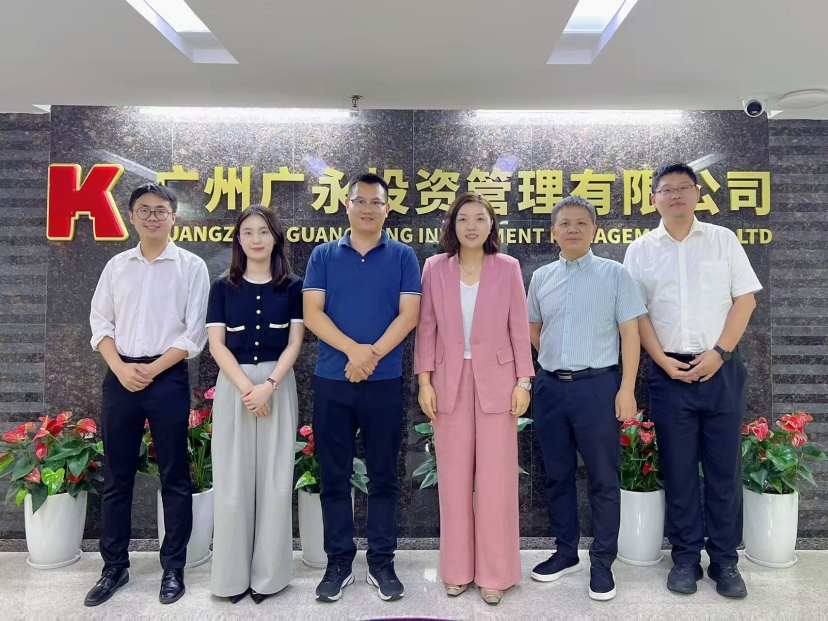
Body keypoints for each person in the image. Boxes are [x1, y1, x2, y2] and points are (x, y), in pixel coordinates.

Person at [623, 162, 761, 598]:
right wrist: (661, 361)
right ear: (653, 199)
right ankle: (685, 558)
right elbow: (636, 314)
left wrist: (719, 353)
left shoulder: (723, 240)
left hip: (722, 368)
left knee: (724, 470)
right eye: (667, 189)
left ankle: (724, 561)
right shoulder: (640, 250)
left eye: (684, 187)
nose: (676, 195)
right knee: (679, 471)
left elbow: (745, 301)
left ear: (698, 193)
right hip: (669, 374)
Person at [85, 183, 209, 607]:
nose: (152, 217)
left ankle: (173, 567)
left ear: (174, 216)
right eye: (144, 210)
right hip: (119, 376)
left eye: (160, 210)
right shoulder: (116, 266)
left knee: (174, 475)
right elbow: (100, 324)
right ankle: (113, 567)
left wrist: (152, 370)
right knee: (117, 476)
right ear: (132, 217)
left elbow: (194, 333)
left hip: (167, 377)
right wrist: (122, 368)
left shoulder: (191, 266)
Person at [303, 172, 421, 603]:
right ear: (346, 206)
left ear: (387, 209)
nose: (368, 208)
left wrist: (370, 358)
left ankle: (381, 561)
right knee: (334, 475)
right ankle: (338, 562)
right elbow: (313, 313)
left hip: (384, 382)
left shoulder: (403, 255)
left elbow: (409, 315)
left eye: (376, 202)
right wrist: (354, 351)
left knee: (384, 475)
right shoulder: (323, 254)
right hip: (333, 380)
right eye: (360, 201)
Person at [413, 192, 533, 605]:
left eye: (480, 218)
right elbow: (426, 328)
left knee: (497, 481)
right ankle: (457, 570)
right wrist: (424, 382)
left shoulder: (507, 267)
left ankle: (495, 574)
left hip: (499, 382)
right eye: (463, 218)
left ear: (491, 225)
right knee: (454, 481)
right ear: (452, 224)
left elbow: (519, 327)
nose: (471, 226)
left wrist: (524, 381)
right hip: (448, 382)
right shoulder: (434, 267)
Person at [528, 195, 646, 601]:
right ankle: (566, 553)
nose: (573, 229)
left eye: (581, 222)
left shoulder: (615, 274)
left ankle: (602, 562)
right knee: (557, 475)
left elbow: (631, 334)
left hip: (598, 388)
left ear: (595, 229)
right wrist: (555, 361)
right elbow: (533, 328)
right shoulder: (541, 277)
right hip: (549, 388)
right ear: (553, 232)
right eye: (565, 223)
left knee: (603, 479)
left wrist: (626, 388)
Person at [206, 206, 304, 604]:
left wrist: (270, 386)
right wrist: (249, 388)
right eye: (248, 232)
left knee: (276, 482)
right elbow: (216, 345)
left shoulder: (293, 287)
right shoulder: (222, 287)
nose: (256, 239)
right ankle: (230, 578)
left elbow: (295, 342)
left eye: (264, 231)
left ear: (275, 237)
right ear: (238, 239)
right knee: (232, 482)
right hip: (235, 386)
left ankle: (269, 577)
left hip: (279, 385)